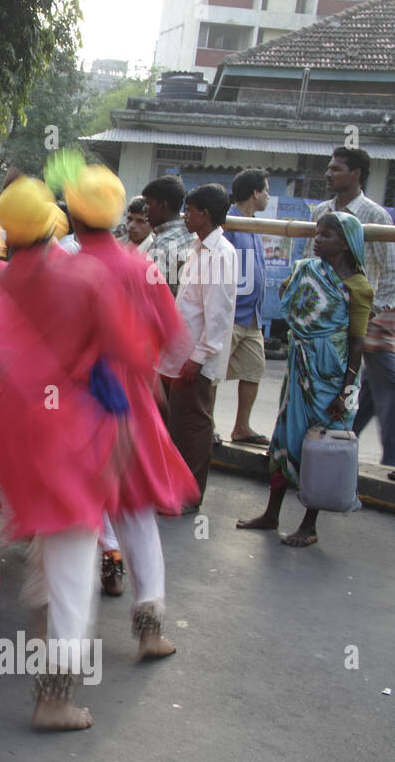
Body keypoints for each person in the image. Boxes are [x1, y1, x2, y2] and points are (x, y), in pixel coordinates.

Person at [0, 177, 139, 730]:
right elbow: (124, 356)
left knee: (51, 545)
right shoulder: (84, 278)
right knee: (73, 568)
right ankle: (54, 697)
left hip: (14, 443)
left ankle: (43, 636)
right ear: (51, 227)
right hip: (72, 439)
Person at [61, 160, 195, 658]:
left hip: (69, 411)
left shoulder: (63, 271)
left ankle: (60, 666)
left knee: (74, 524)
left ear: (73, 218)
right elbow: (177, 344)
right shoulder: (142, 268)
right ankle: (148, 631)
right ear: (119, 215)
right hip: (128, 407)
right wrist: (144, 372)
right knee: (137, 514)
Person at [237, 213, 373, 547]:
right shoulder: (306, 270)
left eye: (326, 236)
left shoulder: (358, 287)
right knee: (284, 439)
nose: (318, 239)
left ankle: (309, 525)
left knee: (317, 449)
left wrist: (347, 389)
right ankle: (271, 514)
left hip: (331, 375)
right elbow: (291, 303)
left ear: (345, 244)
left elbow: (357, 342)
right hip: (299, 371)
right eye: (317, 233)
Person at [311, 147, 395, 482]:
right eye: (329, 168)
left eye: (336, 168)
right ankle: (315, 456)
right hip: (318, 325)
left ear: (356, 174)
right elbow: (310, 262)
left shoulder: (374, 215)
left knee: (365, 391)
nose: (329, 173)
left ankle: (384, 461)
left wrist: (370, 312)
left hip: (358, 325)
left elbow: (394, 269)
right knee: (328, 393)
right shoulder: (322, 211)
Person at [156, 183, 238, 508]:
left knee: (193, 426)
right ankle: (173, 489)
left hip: (196, 358)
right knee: (178, 423)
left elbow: (218, 312)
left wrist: (199, 357)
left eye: (189, 211)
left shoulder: (221, 254)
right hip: (183, 353)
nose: (185, 216)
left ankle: (188, 495)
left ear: (205, 214)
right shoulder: (198, 247)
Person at [218, 168, 272, 448]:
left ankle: (241, 427)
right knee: (213, 373)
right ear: (254, 192)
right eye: (266, 190)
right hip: (232, 315)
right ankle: (208, 425)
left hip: (253, 318)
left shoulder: (254, 225)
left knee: (253, 370)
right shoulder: (230, 223)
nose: (268, 196)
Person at [142, 175, 192, 296]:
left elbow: (152, 293)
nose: (145, 209)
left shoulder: (163, 243)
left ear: (163, 205)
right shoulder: (192, 234)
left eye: (148, 203)